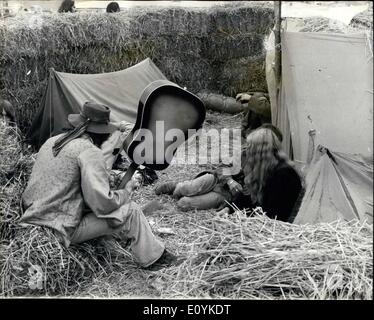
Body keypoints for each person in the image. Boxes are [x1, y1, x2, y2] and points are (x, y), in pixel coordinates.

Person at [20, 102, 179, 270]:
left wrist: (107, 179)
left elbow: (66, 180)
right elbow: (102, 205)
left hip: (31, 220)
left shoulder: (52, 141)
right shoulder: (90, 151)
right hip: (57, 228)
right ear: (100, 133)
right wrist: (125, 192)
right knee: (131, 211)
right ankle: (155, 259)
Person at [156, 125, 302, 222]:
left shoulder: (283, 177)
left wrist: (232, 209)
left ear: (261, 152)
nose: (247, 149)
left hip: (226, 195)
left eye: (251, 147)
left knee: (184, 203)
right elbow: (223, 168)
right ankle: (176, 186)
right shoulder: (251, 159)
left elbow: (270, 215)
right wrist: (230, 187)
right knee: (186, 189)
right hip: (218, 181)